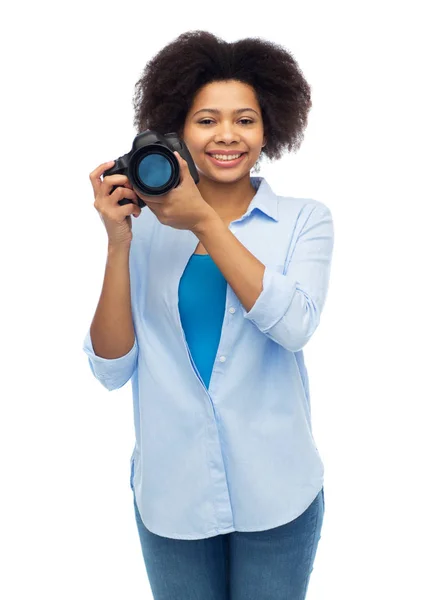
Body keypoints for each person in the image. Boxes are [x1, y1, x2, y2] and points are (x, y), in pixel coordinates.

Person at [83, 29, 334, 600]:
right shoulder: (142, 230)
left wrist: (202, 221)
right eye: (206, 120)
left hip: (279, 491)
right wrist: (118, 242)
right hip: (172, 496)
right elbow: (111, 369)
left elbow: (295, 325)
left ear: (270, 125)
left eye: (244, 119)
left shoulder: (305, 221)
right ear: (178, 131)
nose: (226, 135)